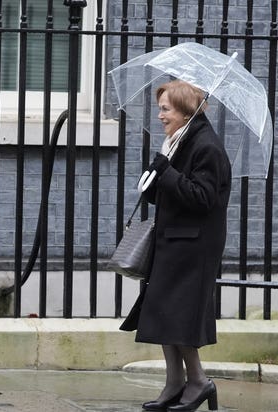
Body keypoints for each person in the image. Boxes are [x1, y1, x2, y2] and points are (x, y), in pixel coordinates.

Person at [133, 80, 231, 411]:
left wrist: (168, 173)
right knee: (162, 312)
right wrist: (152, 179)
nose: (160, 115)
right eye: (160, 108)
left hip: (194, 247)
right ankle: (176, 382)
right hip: (174, 241)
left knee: (179, 316)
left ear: (186, 110)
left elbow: (203, 198)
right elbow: (167, 191)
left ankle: (199, 382)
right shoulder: (177, 141)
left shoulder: (207, 147)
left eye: (166, 109)